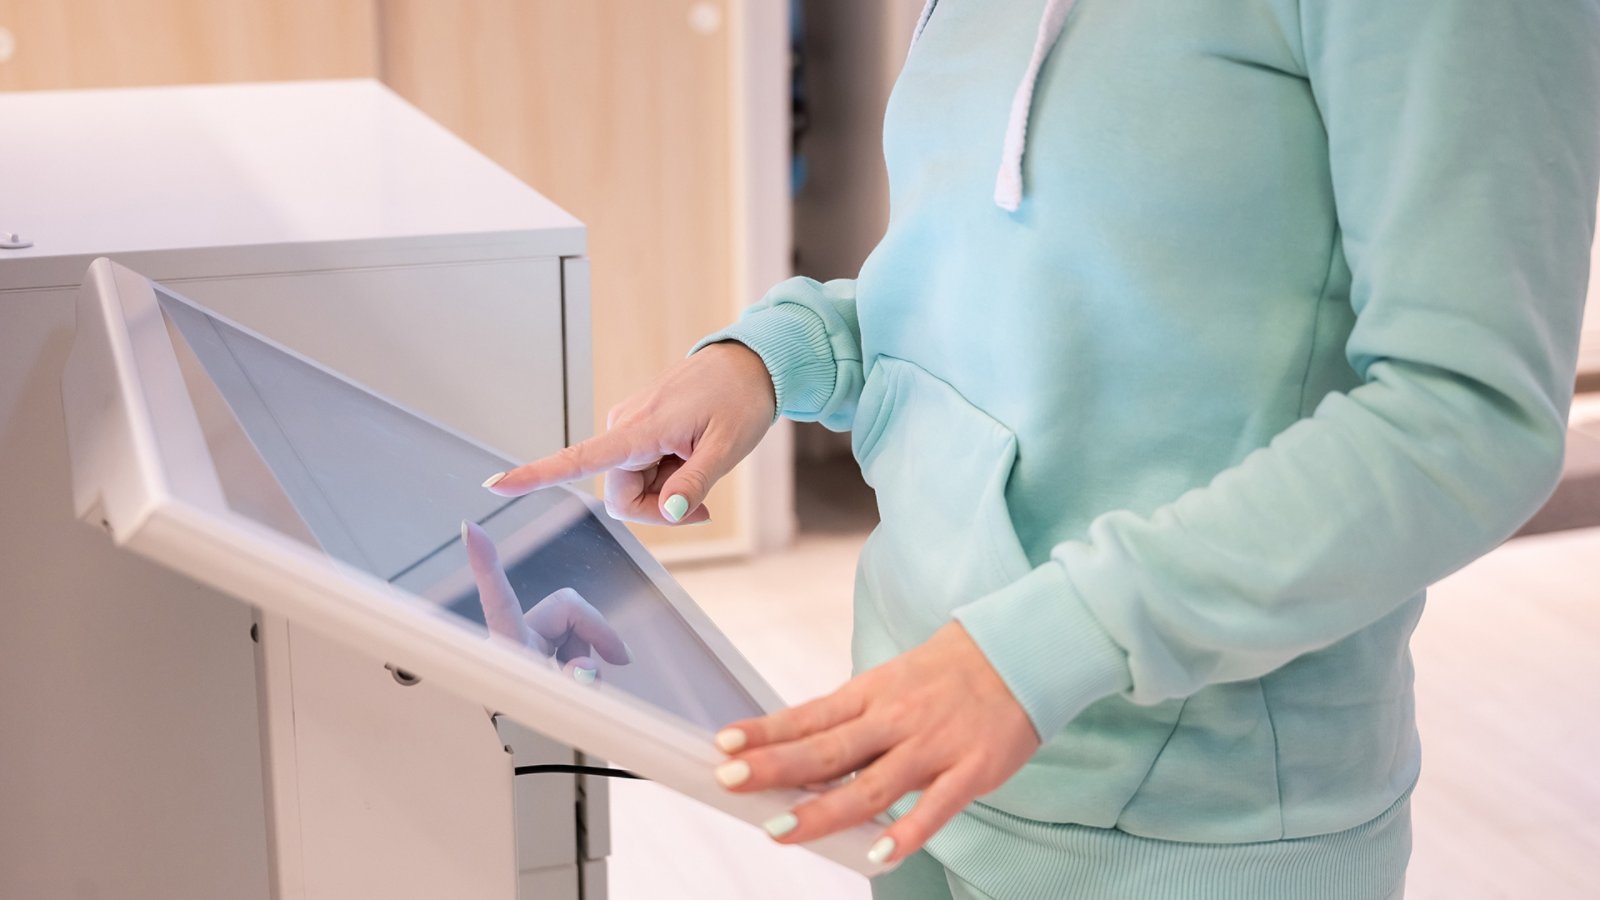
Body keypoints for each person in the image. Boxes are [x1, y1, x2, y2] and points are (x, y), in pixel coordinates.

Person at [480, 1, 1600, 896]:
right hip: (917, 750)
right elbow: (990, 282)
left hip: (1190, 836)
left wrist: (1048, 645)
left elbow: (1468, 416)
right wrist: (773, 357)